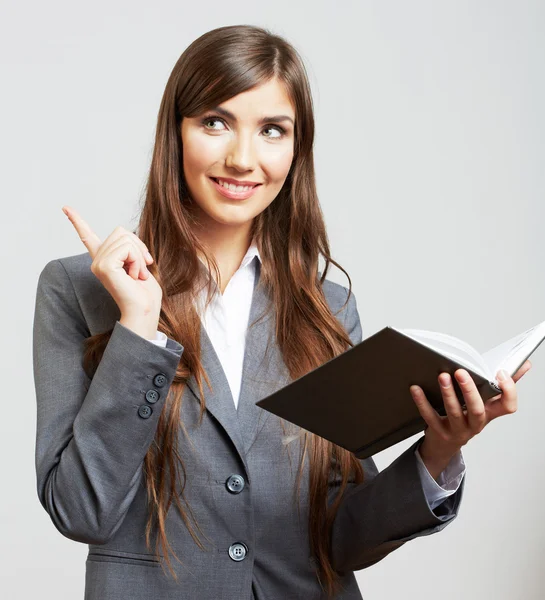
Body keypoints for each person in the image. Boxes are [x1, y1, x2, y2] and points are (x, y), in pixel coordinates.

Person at [33, 24, 531, 600]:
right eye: (215, 122)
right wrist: (139, 330)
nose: (243, 159)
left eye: (272, 130)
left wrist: (438, 452)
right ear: (176, 133)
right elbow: (80, 511)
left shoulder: (328, 306)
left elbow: (341, 538)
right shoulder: (77, 289)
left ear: (296, 150)